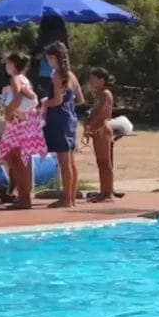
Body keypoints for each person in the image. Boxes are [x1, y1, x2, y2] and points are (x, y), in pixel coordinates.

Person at [0, 51, 45, 209]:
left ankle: (24, 198)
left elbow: (17, 99)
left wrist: (9, 112)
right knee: (17, 159)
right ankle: (24, 196)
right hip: (24, 123)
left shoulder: (16, 79)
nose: (6, 66)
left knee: (16, 160)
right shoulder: (25, 79)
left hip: (17, 125)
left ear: (12, 64)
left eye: (8, 63)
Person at [42, 41, 83, 208]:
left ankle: (67, 199)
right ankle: (70, 198)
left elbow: (57, 100)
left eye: (49, 58)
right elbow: (80, 99)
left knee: (64, 161)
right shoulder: (71, 75)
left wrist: (45, 102)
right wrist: (69, 101)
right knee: (70, 161)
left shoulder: (57, 75)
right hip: (71, 118)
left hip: (59, 120)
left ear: (54, 57)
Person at [83, 67, 116, 202]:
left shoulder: (105, 94)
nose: (90, 82)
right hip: (98, 129)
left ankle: (107, 192)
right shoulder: (100, 94)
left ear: (101, 80)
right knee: (101, 161)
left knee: (104, 161)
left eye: (93, 79)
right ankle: (104, 190)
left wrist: (91, 124)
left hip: (103, 129)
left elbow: (103, 112)